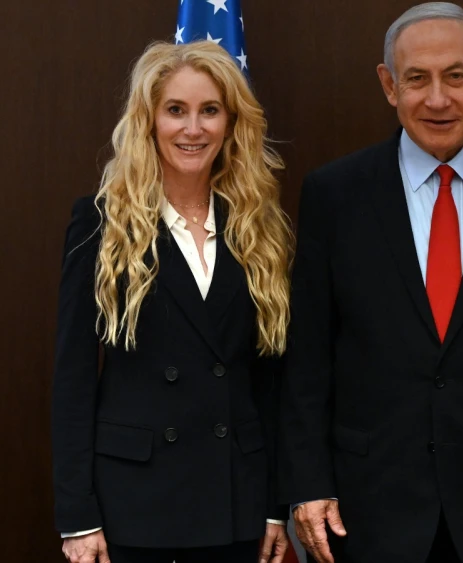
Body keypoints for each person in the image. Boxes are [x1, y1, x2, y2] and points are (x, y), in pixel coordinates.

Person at [277, 3, 463, 562]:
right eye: (416, 78)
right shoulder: (335, 194)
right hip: (368, 513)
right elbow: (309, 358)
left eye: (456, 76)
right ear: (389, 85)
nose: (437, 99)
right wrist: (308, 483)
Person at [51, 41, 294, 563]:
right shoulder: (101, 223)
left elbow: (271, 381)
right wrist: (77, 516)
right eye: (175, 110)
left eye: (210, 111)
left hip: (236, 503)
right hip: (132, 509)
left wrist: (276, 505)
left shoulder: (259, 225)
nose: (193, 128)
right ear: (148, 120)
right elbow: (72, 379)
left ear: (231, 122)